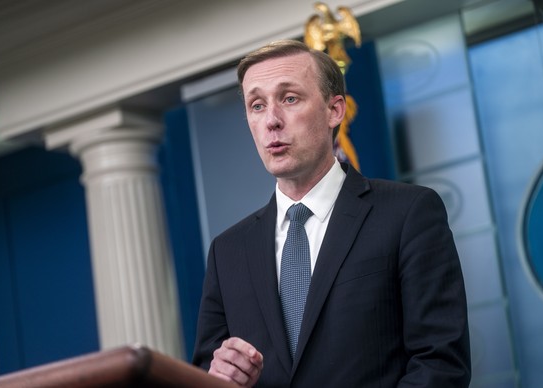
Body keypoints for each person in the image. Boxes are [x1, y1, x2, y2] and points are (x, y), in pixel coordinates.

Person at [192, 39, 471, 387]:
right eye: (257, 105)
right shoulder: (227, 251)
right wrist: (219, 378)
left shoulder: (408, 213)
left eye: (290, 98)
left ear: (334, 110)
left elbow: (440, 363)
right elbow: (206, 374)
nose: (272, 121)